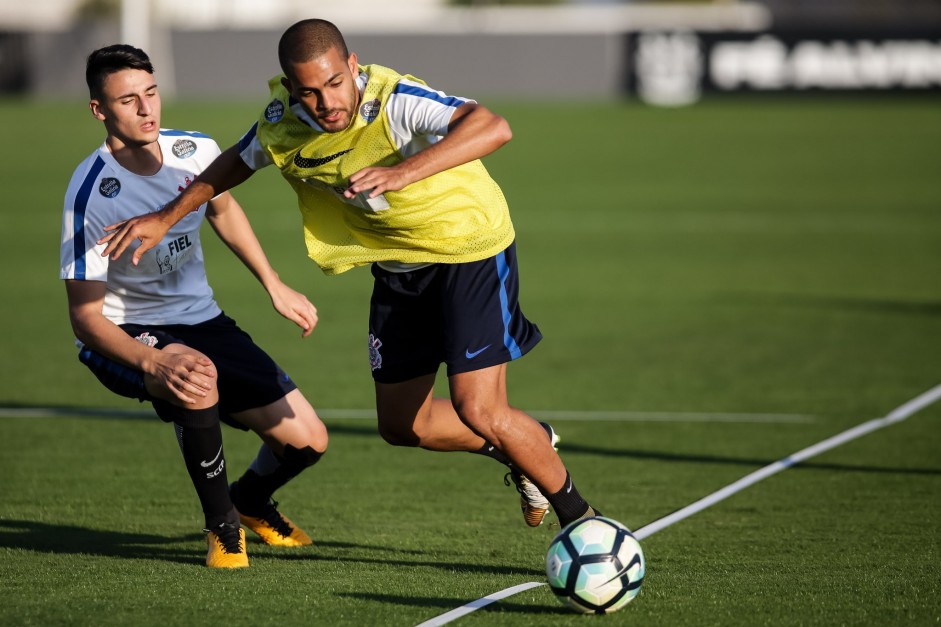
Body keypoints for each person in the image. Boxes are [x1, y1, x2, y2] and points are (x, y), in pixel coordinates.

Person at [99, 20, 602, 529]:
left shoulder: (396, 101)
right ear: (292, 89)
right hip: (397, 268)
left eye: (336, 83)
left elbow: (494, 126)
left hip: (467, 250)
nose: (326, 102)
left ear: (353, 66)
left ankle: (585, 522)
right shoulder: (283, 121)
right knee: (406, 425)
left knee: (481, 409)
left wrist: (401, 171)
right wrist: (166, 216)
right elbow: (236, 162)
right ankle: (526, 442)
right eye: (310, 92)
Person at [60, 44, 329, 568]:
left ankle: (250, 502)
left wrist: (274, 284)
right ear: (100, 111)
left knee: (309, 441)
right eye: (128, 100)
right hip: (126, 331)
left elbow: (223, 211)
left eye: (152, 93)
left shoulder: (195, 150)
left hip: (203, 320)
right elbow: (86, 319)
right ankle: (223, 528)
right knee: (194, 375)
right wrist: (154, 360)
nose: (146, 110)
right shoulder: (91, 192)